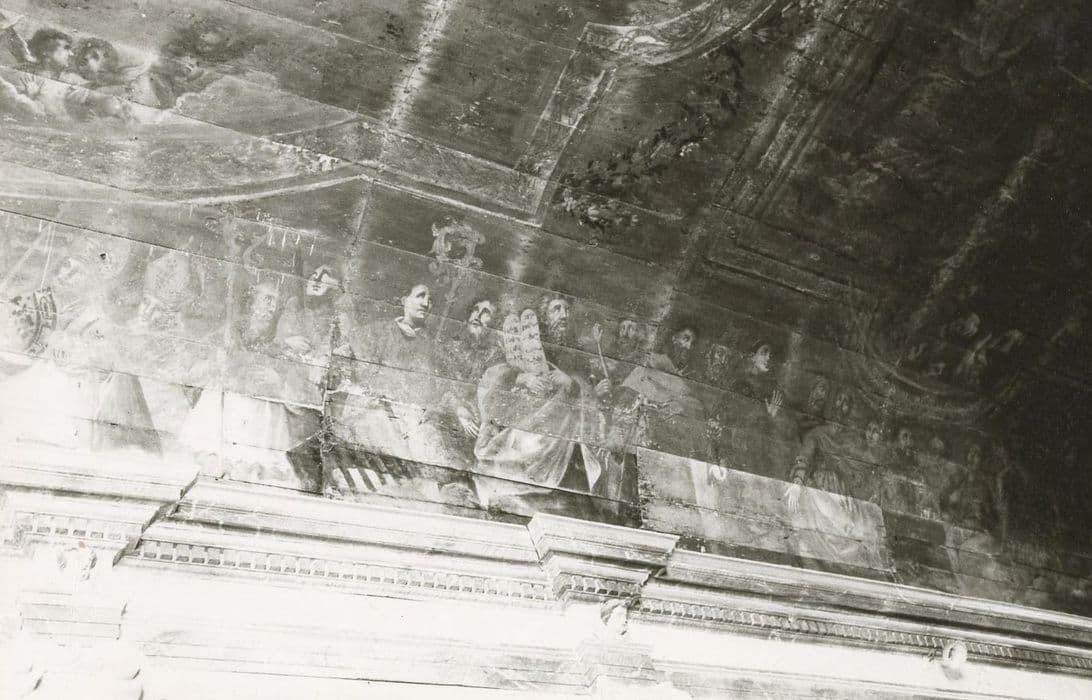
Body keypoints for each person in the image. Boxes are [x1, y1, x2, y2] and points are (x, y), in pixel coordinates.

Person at [473, 295, 618, 509]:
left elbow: (583, 391)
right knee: (519, 444)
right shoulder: (528, 340)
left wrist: (573, 385)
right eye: (556, 309)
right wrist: (522, 378)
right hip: (526, 418)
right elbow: (495, 374)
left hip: (562, 426)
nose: (564, 315)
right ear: (544, 316)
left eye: (566, 309)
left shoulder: (575, 353)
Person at [783, 388, 875, 567]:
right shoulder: (817, 434)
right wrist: (797, 482)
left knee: (857, 528)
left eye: (846, 402)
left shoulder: (851, 441)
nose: (842, 405)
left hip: (842, 490)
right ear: (833, 404)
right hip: (819, 485)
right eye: (839, 399)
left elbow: (857, 470)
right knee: (823, 525)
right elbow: (804, 457)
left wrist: (855, 492)